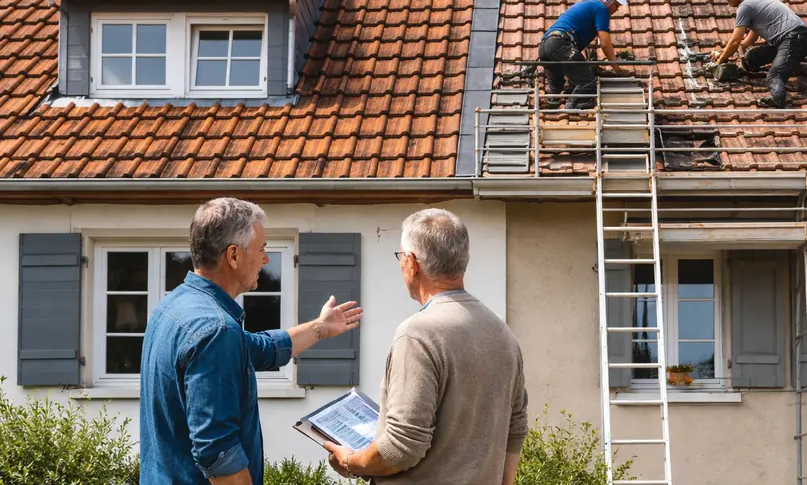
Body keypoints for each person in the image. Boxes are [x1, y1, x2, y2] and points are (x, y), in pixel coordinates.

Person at [139, 197, 363, 485]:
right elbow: (217, 453)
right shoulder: (216, 330)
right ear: (233, 256)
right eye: (261, 249)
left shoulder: (173, 306)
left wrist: (321, 327)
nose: (266, 259)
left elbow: (261, 349)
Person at [325, 208, 529, 485]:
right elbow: (515, 428)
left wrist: (351, 462)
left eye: (400, 256)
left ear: (412, 263)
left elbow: (401, 447)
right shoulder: (502, 333)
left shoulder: (417, 333)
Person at [709, 0, 807, 109]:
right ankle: (744, 69)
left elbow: (735, 41)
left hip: (793, 40)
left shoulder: (745, 6)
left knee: (774, 76)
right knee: (752, 55)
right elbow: (748, 40)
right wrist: (732, 53)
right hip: (797, 40)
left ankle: (778, 99)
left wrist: (719, 62)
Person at [538, 0, 630, 109]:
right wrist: (617, 69)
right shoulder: (600, 8)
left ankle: (554, 110)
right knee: (588, 83)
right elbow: (605, 43)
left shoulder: (588, 5)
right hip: (560, 44)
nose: (617, 9)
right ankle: (570, 110)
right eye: (616, 4)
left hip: (545, 46)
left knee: (557, 90)